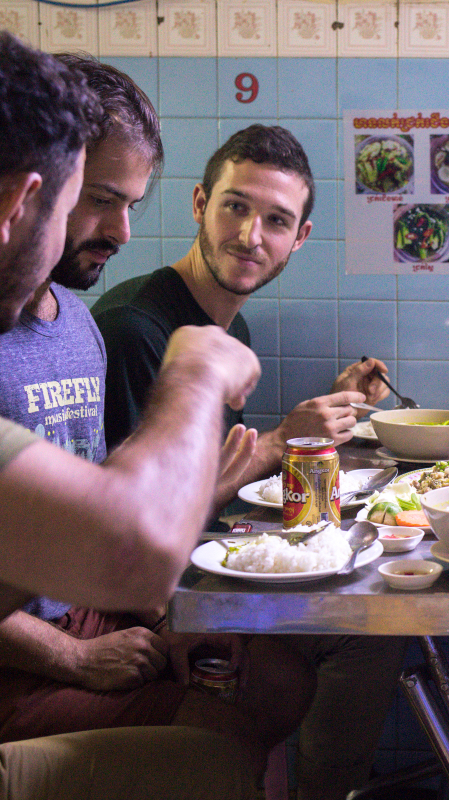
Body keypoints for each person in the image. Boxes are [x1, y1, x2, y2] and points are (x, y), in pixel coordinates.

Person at [0, 53, 316, 795]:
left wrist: (154, 617)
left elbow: (90, 535)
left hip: (79, 609)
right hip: (27, 664)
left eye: (131, 204)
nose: (121, 231)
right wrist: (193, 375)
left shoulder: (75, 322)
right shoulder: (137, 323)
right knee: (218, 744)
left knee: (273, 681)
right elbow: (122, 542)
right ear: (23, 200)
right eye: (92, 198)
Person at [91, 125, 405, 800]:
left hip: (190, 574)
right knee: (363, 632)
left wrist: (329, 412)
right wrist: (281, 440)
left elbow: (208, 466)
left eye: (276, 221)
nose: (249, 235)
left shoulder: (227, 324)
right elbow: (134, 526)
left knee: (372, 623)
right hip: (138, 604)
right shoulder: (137, 329)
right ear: (200, 204)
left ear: (300, 237)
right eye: (235, 206)